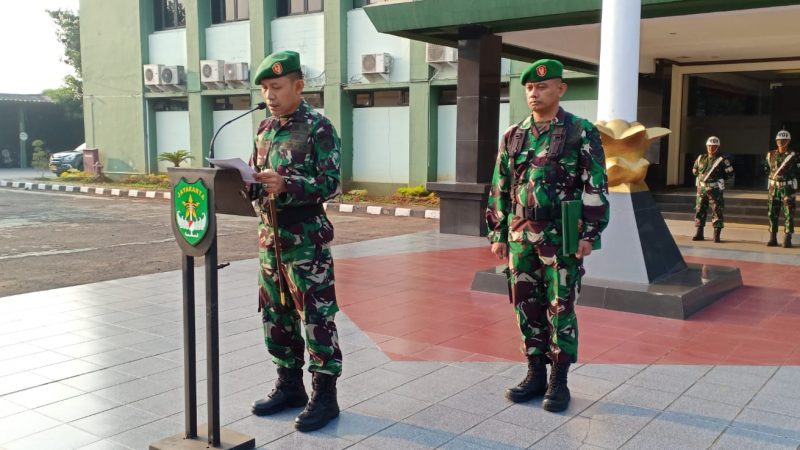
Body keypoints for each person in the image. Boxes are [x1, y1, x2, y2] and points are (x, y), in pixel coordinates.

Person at [486, 59, 609, 413]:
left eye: (541, 87)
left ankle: (560, 380)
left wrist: (590, 232)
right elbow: (500, 186)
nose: (534, 93)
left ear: (560, 89)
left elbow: (595, 184)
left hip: (561, 235)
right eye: (529, 88)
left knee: (560, 306)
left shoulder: (579, 131)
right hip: (519, 236)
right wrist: (497, 231)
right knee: (525, 304)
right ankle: (535, 372)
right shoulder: (514, 135)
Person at [247, 50, 342, 432]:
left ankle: (325, 395)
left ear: (298, 86)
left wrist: (288, 184)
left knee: (316, 317)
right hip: (270, 241)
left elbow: (332, 184)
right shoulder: (264, 128)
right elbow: (258, 177)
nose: (270, 95)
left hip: (306, 242)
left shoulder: (318, 127)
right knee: (276, 315)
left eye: (277, 86)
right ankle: (289, 385)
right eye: (266, 88)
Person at [691, 136, 734, 243]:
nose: (711, 148)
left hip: (715, 189)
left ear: (718, 147)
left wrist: (720, 179)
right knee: (699, 210)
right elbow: (695, 171)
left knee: (717, 211)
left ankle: (716, 235)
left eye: (714, 146)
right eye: (709, 146)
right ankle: (699, 233)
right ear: (706, 146)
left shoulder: (722, 160)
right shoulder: (701, 158)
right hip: (701, 189)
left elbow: (730, 173)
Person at [765, 130, 799, 248]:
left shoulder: (794, 156)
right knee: (772, 213)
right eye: (779, 140)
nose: (781, 142)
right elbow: (766, 168)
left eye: (784, 140)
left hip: (787, 188)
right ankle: (772, 237)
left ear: (788, 141)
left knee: (788, 213)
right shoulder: (770, 155)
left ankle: (787, 238)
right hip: (774, 188)